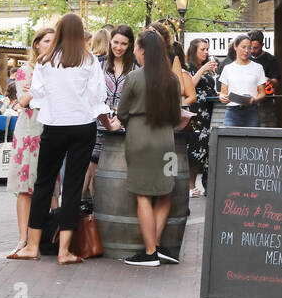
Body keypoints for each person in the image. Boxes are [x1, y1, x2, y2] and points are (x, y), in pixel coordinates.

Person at [15, 13, 111, 265]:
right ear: (80, 33)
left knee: (43, 185)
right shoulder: (89, 60)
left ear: (58, 32)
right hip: (82, 127)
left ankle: (32, 246)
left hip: (54, 127)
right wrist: (108, 122)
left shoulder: (46, 61)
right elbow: (97, 98)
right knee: (72, 188)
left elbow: (36, 92)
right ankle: (65, 251)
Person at [115, 28, 182, 266]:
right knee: (165, 192)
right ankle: (156, 245)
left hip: (140, 140)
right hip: (166, 141)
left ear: (143, 51)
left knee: (143, 194)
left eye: (136, 49)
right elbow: (176, 115)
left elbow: (122, 112)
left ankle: (150, 251)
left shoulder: (133, 78)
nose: (135, 52)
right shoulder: (173, 79)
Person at [5, 26, 54, 258]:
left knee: (50, 187)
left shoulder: (57, 70)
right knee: (25, 189)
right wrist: (38, 91)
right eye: (46, 41)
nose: (50, 45)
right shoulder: (27, 70)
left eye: (54, 42)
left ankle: (48, 236)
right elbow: (23, 101)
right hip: (29, 134)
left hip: (50, 132)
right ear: (36, 44)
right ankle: (23, 239)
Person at [85, 24, 135, 197]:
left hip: (124, 126)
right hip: (97, 123)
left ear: (130, 45)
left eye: (123, 44)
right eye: (116, 42)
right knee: (90, 169)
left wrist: (123, 118)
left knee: (114, 169)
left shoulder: (135, 68)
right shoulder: (98, 64)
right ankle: (84, 212)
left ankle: (104, 210)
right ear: (110, 41)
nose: (118, 47)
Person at [184, 38, 219, 196]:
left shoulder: (205, 68)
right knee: (194, 148)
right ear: (194, 50)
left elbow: (209, 87)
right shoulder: (189, 67)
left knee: (204, 148)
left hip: (208, 112)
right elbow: (188, 86)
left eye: (207, 49)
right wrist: (202, 70)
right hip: (195, 112)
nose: (205, 52)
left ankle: (197, 184)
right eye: (202, 49)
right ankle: (190, 185)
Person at [218, 35, 267, 128]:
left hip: (251, 111)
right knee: (229, 140)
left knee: (252, 141)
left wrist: (254, 99)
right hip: (232, 111)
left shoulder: (258, 67)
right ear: (235, 47)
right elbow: (223, 93)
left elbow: (262, 93)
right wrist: (223, 97)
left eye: (249, 48)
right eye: (243, 47)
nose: (246, 51)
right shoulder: (228, 68)